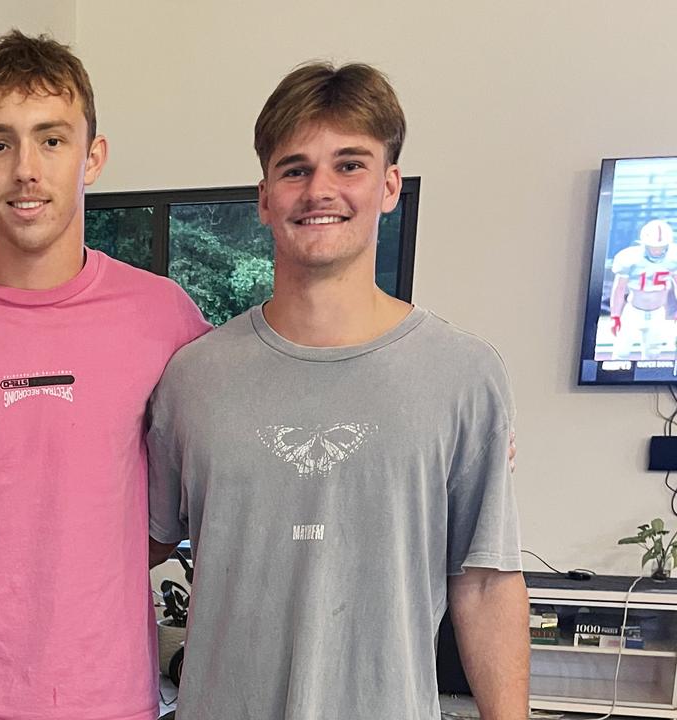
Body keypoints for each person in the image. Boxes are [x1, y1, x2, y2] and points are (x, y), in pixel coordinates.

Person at [146, 62, 528, 720]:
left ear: (389, 186)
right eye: (295, 169)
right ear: (264, 196)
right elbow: (132, 547)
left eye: (349, 164)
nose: (319, 189)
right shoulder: (193, 376)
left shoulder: (464, 374)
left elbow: (487, 583)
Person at [0, 31, 208, 720]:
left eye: (51, 140)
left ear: (93, 157)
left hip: (107, 695)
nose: (26, 169)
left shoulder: (163, 316)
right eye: (0, 144)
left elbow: (240, 442)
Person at [609, 219, 677, 360]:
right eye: (653, 246)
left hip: (658, 312)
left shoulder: (673, 257)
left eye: (662, 246)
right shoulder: (629, 258)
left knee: (653, 355)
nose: (657, 250)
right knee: (620, 352)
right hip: (632, 311)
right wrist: (615, 315)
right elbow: (619, 288)